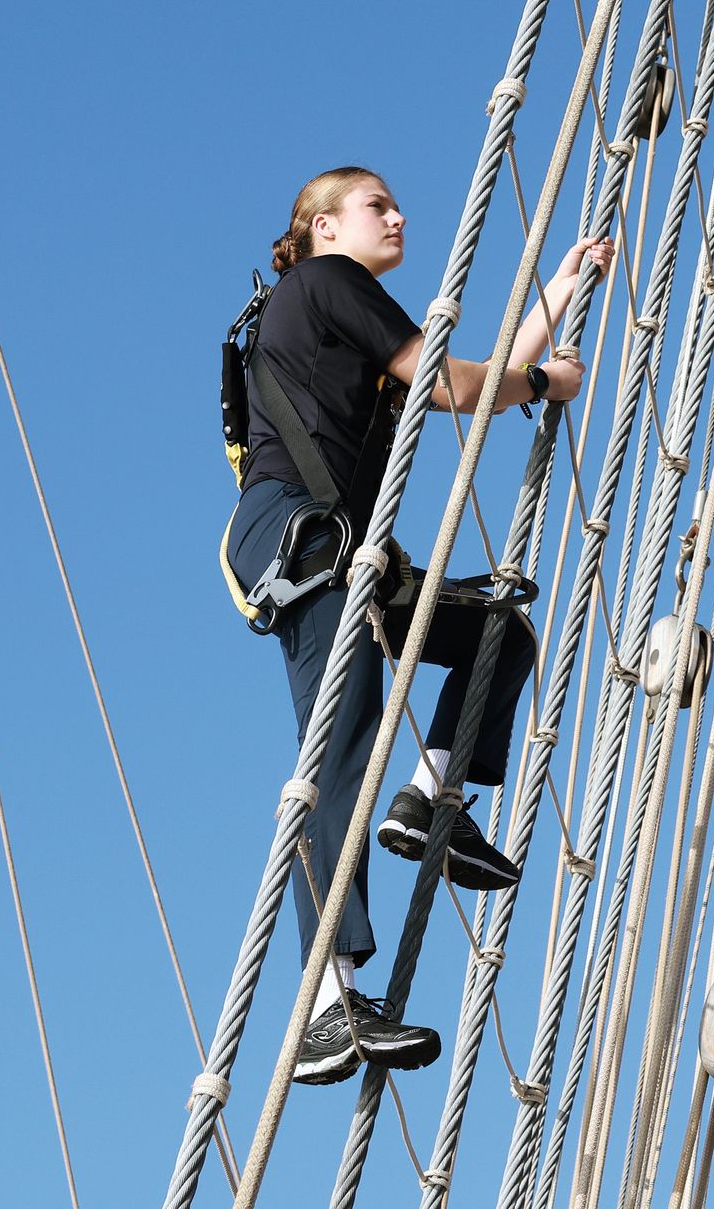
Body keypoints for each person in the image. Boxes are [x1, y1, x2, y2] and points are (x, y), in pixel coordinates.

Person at [225, 167, 613, 1085]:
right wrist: (548, 384)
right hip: (308, 544)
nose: (399, 214)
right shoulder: (329, 285)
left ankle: (432, 797)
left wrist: (560, 288)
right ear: (321, 228)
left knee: (496, 638)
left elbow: (472, 382)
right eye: (374, 205)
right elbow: (465, 386)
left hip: (350, 552)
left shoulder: (344, 324)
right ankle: (327, 1007)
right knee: (343, 743)